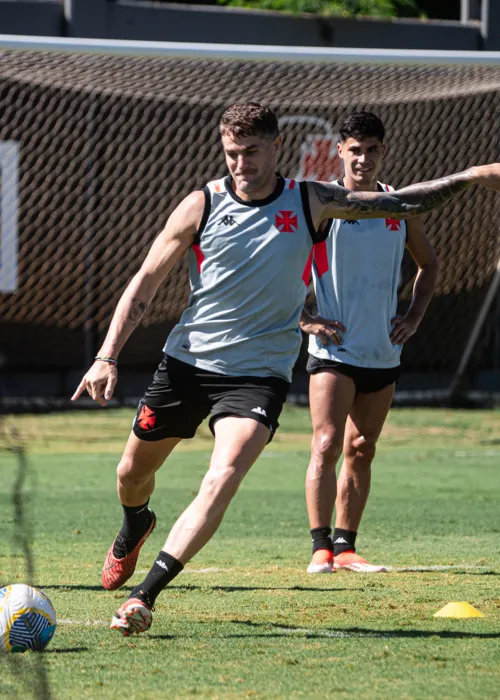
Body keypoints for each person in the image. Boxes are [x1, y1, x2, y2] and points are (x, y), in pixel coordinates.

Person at [72, 101, 500, 636]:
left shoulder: (311, 201)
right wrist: (107, 354)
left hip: (260, 374)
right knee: (131, 475)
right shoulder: (200, 204)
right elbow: (145, 282)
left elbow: (406, 202)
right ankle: (137, 522)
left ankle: (145, 596)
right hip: (187, 363)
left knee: (223, 475)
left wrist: (475, 177)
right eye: (231, 153)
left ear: (277, 148)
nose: (240, 163)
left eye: (251, 152)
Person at [301, 112, 439, 575]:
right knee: (325, 443)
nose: (363, 158)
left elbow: (429, 265)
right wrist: (304, 318)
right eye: (355, 149)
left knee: (362, 449)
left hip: (383, 351)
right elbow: (281, 263)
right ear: (339, 151)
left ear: (383, 151)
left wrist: (415, 317)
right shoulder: (322, 204)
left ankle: (347, 548)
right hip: (333, 350)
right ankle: (320, 548)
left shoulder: (398, 204)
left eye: (372, 149)